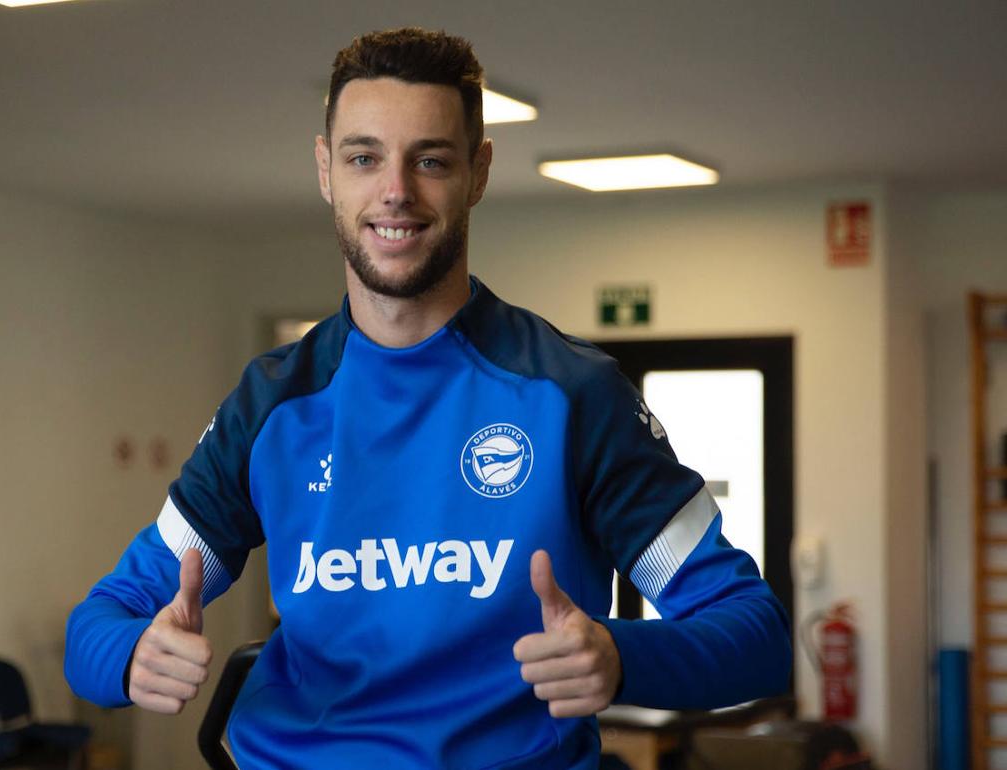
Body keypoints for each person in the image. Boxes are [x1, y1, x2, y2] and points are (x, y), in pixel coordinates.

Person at [65, 27, 791, 769]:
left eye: (430, 160)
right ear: (325, 171)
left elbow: (756, 635)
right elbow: (97, 623)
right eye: (363, 157)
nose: (395, 192)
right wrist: (131, 655)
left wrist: (619, 655)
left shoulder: (571, 396)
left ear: (477, 172)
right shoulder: (272, 404)